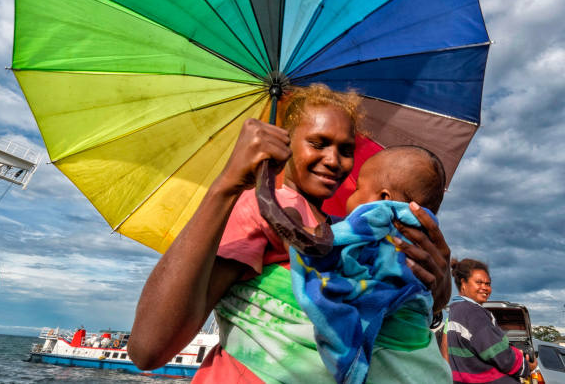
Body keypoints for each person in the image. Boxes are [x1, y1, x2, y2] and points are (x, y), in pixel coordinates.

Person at [127, 84, 453, 383]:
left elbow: (389, 309)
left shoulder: (348, 232)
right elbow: (149, 349)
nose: (334, 161)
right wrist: (225, 186)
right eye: (318, 143)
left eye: (346, 149)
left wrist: (438, 287)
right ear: (284, 142)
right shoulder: (260, 209)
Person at [290, 146, 448, 384]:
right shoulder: (422, 229)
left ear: (384, 198)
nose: (350, 195)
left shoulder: (378, 214)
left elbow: (335, 240)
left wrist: (304, 233)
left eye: (356, 188)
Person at [444, 259, 536, 384]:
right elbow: (499, 354)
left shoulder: (455, 311)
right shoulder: (473, 312)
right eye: (478, 282)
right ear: (463, 283)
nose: (485, 288)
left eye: (488, 284)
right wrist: (526, 366)